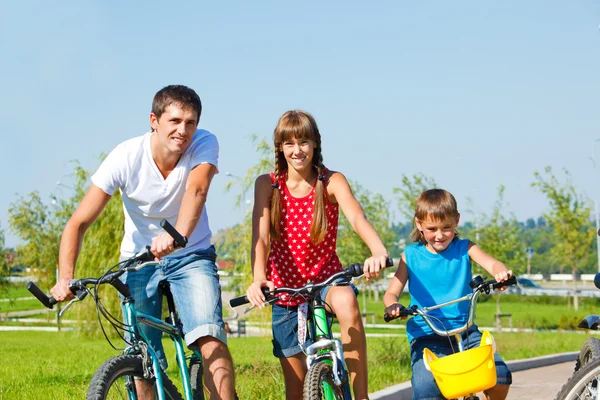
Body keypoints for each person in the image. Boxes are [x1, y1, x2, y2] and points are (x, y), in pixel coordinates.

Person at [50, 85, 236, 399]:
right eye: (175, 121)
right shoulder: (125, 157)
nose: (183, 130)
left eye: (190, 122)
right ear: (154, 120)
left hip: (191, 254)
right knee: (143, 354)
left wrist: (178, 237)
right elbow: (78, 223)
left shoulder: (204, 142)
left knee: (210, 340)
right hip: (139, 260)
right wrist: (65, 277)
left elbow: (197, 191)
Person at [245, 110, 389, 400]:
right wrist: (258, 278)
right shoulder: (268, 184)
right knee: (296, 390)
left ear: (315, 144)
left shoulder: (331, 181)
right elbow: (260, 238)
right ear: (280, 147)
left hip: (326, 281)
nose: (297, 150)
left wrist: (378, 251)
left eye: (304, 142)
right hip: (284, 289)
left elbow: (357, 218)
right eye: (289, 144)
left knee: (347, 301)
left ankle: (361, 395)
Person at [383, 189, 513, 400]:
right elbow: (391, 292)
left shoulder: (465, 248)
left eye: (447, 228)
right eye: (432, 228)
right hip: (426, 335)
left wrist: (500, 272)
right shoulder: (410, 256)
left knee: (500, 375)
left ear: (457, 221)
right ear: (419, 224)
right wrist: (392, 306)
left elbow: (492, 263)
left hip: (466, 332)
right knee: (427, 388)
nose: (440, 235)